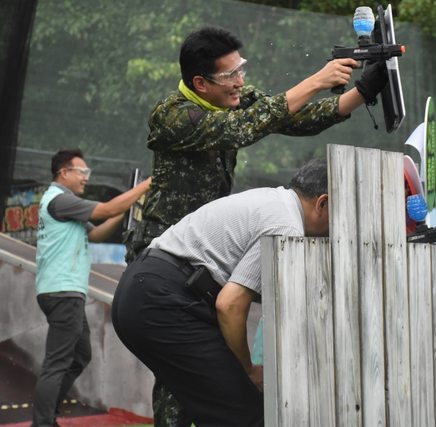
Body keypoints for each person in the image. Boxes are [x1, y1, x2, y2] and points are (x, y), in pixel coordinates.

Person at [122, 25, 387, 424]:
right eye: (230, 75)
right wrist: (318, 79)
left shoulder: (232, 99)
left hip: (205, 270)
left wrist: (363, 91)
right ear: (201, 83)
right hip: (170, 265)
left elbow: (294, 117)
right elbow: (245, 127)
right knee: (185, 392)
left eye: (241, 69)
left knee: (207, 392)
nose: (240, 82)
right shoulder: (173, 116)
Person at [112, 158, 330, 426]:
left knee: (214, 410)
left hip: (144, 290)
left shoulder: (271, 199)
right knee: (245, 416)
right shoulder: (285, 225)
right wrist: (247, 369)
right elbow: (230, 305)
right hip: (164, 300)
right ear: (322, 203)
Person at [32, 149, 151, 427]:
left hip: (64, 290)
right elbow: (107, 209)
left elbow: (96, 232)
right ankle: (43, 422)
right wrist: (145, 186)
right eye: (82, 172)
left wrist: (126, 209)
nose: (86, 177)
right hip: (62, 291)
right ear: (64, 172)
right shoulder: (60, 200)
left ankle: (47, 415)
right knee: (58, 362)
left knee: (80, 355)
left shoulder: (64, 204)